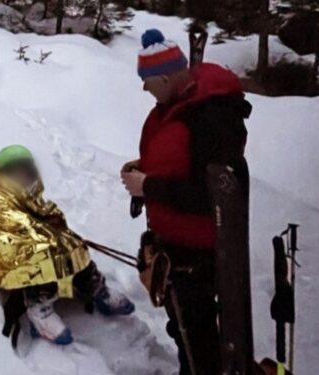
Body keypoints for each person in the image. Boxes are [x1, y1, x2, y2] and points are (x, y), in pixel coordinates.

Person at [121, 29, 252, 374]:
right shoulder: (176, 105)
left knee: (198, 341)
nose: (144, 89)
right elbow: (180, 166)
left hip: (195, 253)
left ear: (165, 78)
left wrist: (148, 186)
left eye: (147, 81)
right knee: (186, 332)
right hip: (174, 247)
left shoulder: (212, 118)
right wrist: (144, 170)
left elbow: (217, 196)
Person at [0, 145, 135, 345]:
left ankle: (91, 286)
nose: (22, 176)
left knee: (71, 243)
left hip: (25, 237)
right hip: (3, 247)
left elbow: (49, 220)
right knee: (40, 253)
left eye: (25, 170)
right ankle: (38, 306)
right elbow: (9, 230)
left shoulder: (31, 200)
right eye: (16, 172)